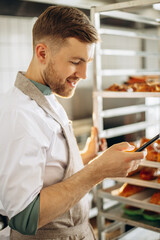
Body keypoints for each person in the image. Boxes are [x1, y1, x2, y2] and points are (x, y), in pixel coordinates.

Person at [0, 6, 146, 240]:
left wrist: (85, 157)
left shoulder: (47, 95)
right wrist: (98, 171)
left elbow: (47, 167)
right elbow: (24, 217)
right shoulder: (19, 115)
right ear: (42, 53)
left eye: (87, 61)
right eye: (76, 61)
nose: (84, 74)